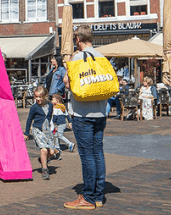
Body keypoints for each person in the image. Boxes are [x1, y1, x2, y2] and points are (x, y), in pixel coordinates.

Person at [64, 25, 108, 210]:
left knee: (86, 155)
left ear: (77, 39)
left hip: (82, 113)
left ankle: (88, 197)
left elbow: (67, 83)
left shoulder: (77, 57)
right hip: (100, 112)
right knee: (98, 152)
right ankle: (98, 195)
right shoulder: (101, 57)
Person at [23, 86, 57, 180]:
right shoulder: (34, 108)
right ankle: (45, 170)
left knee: (51, 152)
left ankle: (43, 160)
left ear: (45, 96)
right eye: (36, 97)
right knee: (44, 150)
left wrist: (52, 127)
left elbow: (49, 117)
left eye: (40, 97)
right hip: (37, 130)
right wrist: (26, 133)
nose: (38, 99)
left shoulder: (50, 105)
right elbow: (29, 119)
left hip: (47, 130)